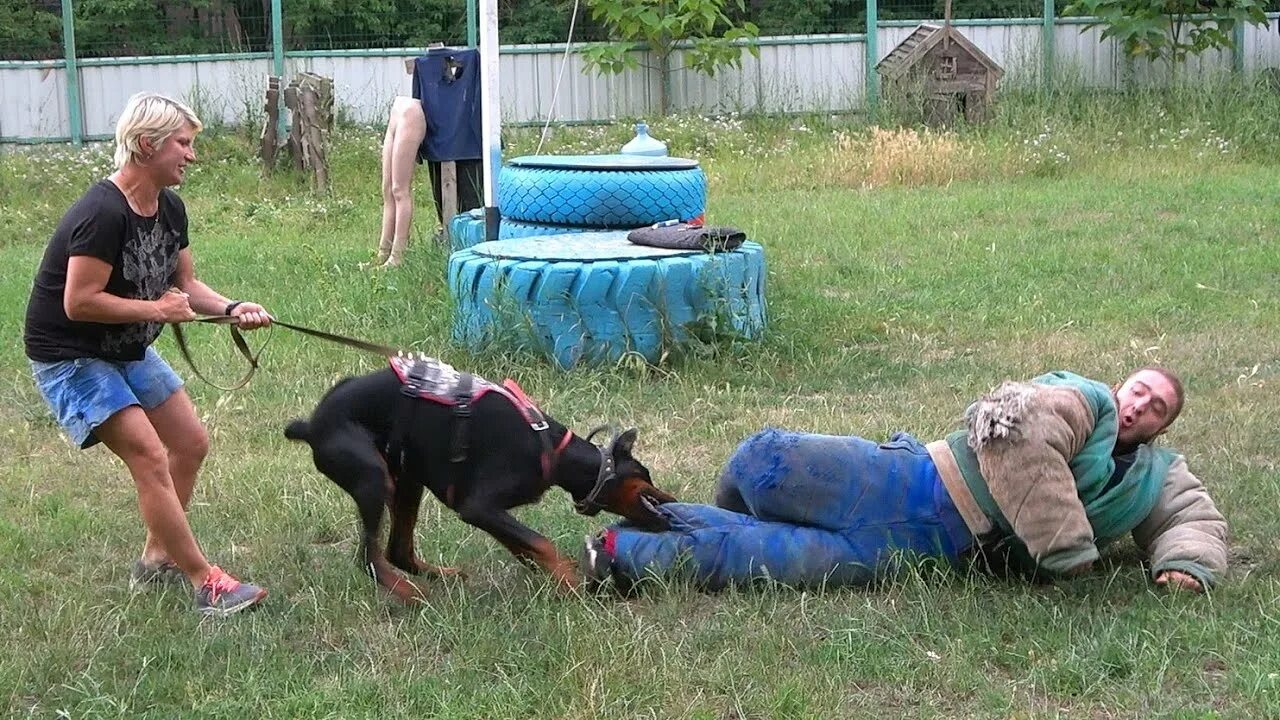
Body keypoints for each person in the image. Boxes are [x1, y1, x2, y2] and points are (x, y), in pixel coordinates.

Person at [582, 368, 1228, 594]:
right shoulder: (1081, 399)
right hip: (912, 482)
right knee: (765, 461)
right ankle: (714, 507)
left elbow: (1191, 518)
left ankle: (616, 553)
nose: (1143, 407)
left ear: (1163, 426)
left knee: (761, 558)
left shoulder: (1149, 476)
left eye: (1158, 408)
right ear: (1123, 387)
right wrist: (1070, 553)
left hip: (929, 551)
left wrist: (1185, 567)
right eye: (1141, 391)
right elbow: (1019, 432)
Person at [23, 92, 272, 617]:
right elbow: (79, 302)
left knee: (190, 443)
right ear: (144, 145)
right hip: (70, 352)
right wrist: (156, 310)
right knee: (149, 455)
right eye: (183, 143)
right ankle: (206, 581)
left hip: (125, 345)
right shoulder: (102, 212)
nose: (192, 155)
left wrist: (232, 307)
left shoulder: (169, 206)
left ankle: (157, 557)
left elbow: (187, 285)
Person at [374, 96, 427, 267]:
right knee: (387, 189)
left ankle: (397, 256)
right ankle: (383, 252)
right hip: (398, 107)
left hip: (412, 113)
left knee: (399, 189)